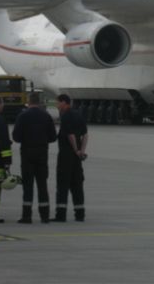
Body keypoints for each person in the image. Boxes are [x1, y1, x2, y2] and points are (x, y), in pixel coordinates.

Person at [12, 92, 57, 223]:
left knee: (28, 186)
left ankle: (27, 216)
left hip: (27, 154)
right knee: (42, 185)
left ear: (29, 102)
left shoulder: (22, 116)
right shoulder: (46, 116)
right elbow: (53, 137)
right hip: (42, 154)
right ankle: (45, 216)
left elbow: (16, 137)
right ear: (39, 102)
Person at [53, 94, 88, 222]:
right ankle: (80, 214)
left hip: (66, 155)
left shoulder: (66, 115)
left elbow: (70, 135)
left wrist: (75, 150)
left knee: (63, 185)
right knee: (77, 185)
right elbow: (85, 135)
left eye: (58, 103)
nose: (57, 105)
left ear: (64, 102)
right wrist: (81, 152)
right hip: (77, 158)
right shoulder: (79, 115)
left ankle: (60, 215)